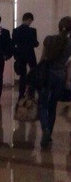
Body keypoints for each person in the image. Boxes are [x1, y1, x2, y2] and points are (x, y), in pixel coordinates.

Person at [38, 17, 71, 148]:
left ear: (59, 26)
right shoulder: (69, 43)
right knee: (52, 106)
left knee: (42, 104)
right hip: (60, 76)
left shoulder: (48, 39)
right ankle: (49, 135)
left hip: (46, 75)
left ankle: (45, 129)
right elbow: (68, 63)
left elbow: (42, 59)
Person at [12, 12, 39, 98]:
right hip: (30, 54)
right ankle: (31, 92)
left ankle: (21, 94)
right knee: (33, 72)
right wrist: (36, 43)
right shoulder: (32, 30)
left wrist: (16, 55)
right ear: (29, 20)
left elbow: (13, 44)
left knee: (22, 75)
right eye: (31, 21)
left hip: (20, 54)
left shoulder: (16, 30)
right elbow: (35, 44)